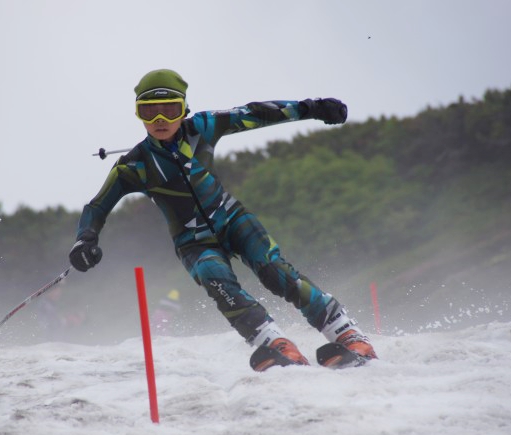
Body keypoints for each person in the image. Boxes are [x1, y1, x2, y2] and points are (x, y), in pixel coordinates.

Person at [69, 69, 377, 370]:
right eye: (150, 113)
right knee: (218, 281)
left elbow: (256, 113)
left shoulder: (203, 126)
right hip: (193, 243)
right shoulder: (132, 166)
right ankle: (275, 344)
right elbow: (97, 207)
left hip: (232, 219)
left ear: (184, 109)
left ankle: (346, 333)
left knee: (274, 271)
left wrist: (312, 108)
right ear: (138, 115)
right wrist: (85, 239)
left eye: (170, 110)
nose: (160, 120)